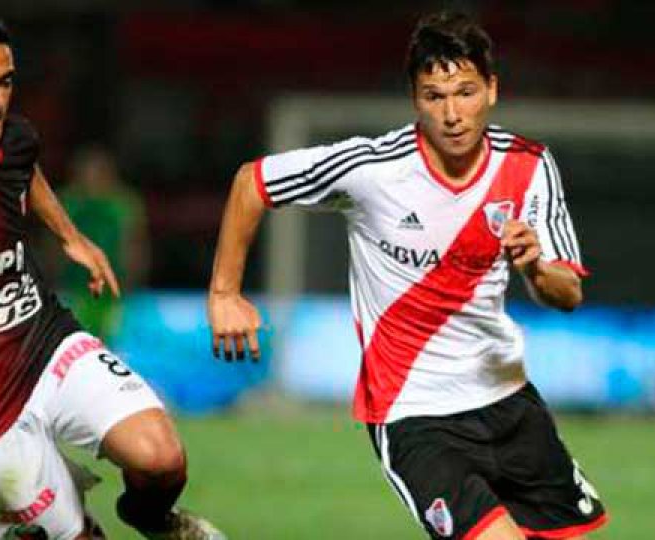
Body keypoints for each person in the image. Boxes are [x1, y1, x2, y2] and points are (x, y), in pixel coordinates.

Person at [209, 11, 607, 539]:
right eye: (434, 96)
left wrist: (535, 266)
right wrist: (225, 292)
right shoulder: (372, 168)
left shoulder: (529, 166)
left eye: (465, 92)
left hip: (509, 402)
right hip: (415, 414)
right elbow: (252, 182)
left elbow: (567, 292)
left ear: (491, 90)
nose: (452, 114)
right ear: (415, 99)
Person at [0, 3, 224, 539]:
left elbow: (25, 173)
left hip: (41, 341)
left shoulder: (12, 140)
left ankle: (151, 519)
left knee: (161, 458)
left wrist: (70, 236)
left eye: (5, 82)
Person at [58, 145, 150, 343]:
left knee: (112, 344)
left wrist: (132, 281)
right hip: (75, 290)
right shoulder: (67, 203)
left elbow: (135, 245)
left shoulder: (124, 204)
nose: (92, 179)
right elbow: (54, 247)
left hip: (114, 293)